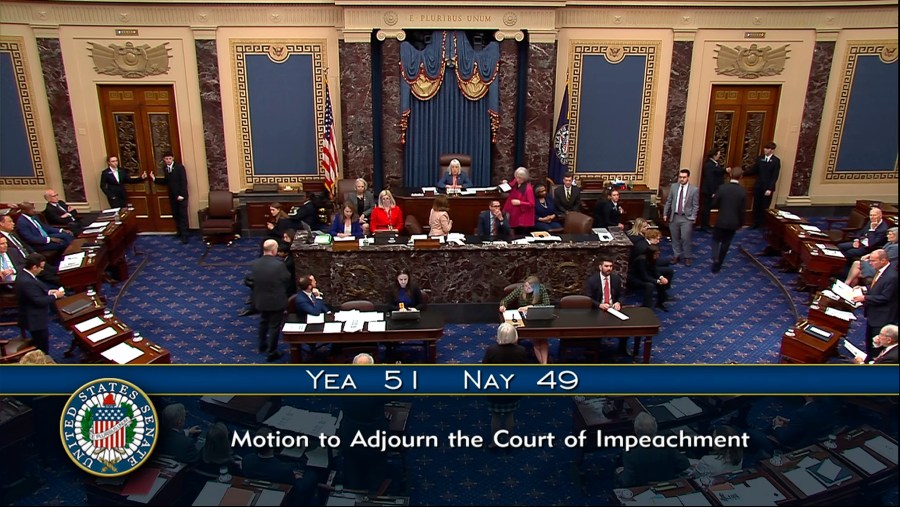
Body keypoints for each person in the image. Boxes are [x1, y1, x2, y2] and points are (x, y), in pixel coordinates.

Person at [482, 323, 530, 448]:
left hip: (495, 389)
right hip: (513, 390)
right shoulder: (521, 351)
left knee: (495, 416)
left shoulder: (491, 350)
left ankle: (494, 442)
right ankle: (510, 440)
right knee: (510, 415)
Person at [617, 412, 689, 487]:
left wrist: (619, 473)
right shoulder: (668, 445)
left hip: (643, 490)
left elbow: (627, 482)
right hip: (668, 486)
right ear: (656, 428)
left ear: (636, 431)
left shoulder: (630, 453)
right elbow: (684, 465)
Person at [745, 397, 836, 455]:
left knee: (750, 432)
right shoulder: (829, 403)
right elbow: (809, 422)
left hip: (795, 447)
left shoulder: (802, 413)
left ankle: (753, 458)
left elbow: (784, 438)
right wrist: (790, 422)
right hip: (814, 438)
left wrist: (777, 426)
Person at [851, 248, 898, 358]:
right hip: (874, 314)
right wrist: (864, 288)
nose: (870, 263)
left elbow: (885, 297)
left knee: (876, 346)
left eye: (873, 261)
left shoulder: (892, 276)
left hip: (883, 317)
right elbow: (877, 286)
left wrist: (865, 298)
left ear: (883, 260)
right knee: (869, 341)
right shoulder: (882, 270)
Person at [250, 239, 291, 361]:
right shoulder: (279, 265)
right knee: (274, 326)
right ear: (274, 250)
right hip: (275, 300)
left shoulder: (255, 263)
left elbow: (252, 280)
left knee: (263, 322)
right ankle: (271, 352)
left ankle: (262, 345)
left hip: (260, 299)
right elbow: (287, 278)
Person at [15, 253, 64, 353]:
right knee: (42, 346)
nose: (42, 269)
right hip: (34, 319)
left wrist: (49, 292)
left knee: (39, 341)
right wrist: (55, 296)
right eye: (41, 267)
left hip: (33, 315)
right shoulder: (27, 281)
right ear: (34, 267)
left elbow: (34, 292)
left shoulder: (24, 273)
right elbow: (39, 301)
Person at [499, 275, 551, 364]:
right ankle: (544, 365)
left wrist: (531, 307)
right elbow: (506, 300)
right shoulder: (520, 289)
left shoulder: (541, 289)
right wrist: (503, 305)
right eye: (526, 286)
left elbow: (547, 304)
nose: (526, 289)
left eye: (529, 287)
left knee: (542, 340)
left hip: (538, 318)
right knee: (537, 341)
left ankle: (544, 364)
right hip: (524, 319)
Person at [0, 211, 60, 286]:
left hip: (29, 256)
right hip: (21, 262)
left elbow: (24, 245)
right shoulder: (1, 238)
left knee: (52, 269)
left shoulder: (12, 233)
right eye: (10, 221)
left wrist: (33, 253)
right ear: (1, 223)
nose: (13, 223)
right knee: (47, 274)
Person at [710, 166, 747, 273]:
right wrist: (741, 223)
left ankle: (715, 258)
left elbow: (714, 204)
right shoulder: (742, 192)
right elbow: (742, 211)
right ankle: (719, 264)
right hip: (733, 222)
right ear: (741, 177)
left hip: (721, 220)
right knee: (726, 243)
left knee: (715, 240)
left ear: (730, 175)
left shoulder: (722, 188)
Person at [150, 151, 190, 243]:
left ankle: (185, 236)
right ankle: (179, 232)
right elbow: (166, 181)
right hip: (172, 196)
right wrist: (155, 179)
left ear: (173, 158)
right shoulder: (165, 168)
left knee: (182, 215)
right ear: (164, 160)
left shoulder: (180, 167)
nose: (168, 160)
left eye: (170, 158)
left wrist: (182, 195)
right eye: (166, 159)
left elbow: (183, 182)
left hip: (181, 196)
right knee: (175, 214)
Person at [663, 169, 699, 266]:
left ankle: (687, 256)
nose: (682, 179)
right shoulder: (674, 187)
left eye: (684, 177)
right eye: (680, 177)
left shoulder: (694, 189)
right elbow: (669, 201)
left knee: (685, 238)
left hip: (686, 218)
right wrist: (665, 213)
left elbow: (696, 205)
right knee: (674, 237)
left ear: (688, 177)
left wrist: (693, 217)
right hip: (674, 216)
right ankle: (676, 255)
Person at [745, 142, 781, 229]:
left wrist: (769, 188)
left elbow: (774, 176)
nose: (765, 150)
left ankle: (762, 224)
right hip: (758, 187)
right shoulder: (760, 159)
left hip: (767, 188)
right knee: (756, 206)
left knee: (764, 207)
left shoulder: (776, 161)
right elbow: (754, 170)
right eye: (765, 148)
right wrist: (742, 173)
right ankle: (755, 223)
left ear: (772, 150)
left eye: (767, 149)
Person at [629, 245, 671, 311]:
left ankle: (661, 302)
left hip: (646, 274)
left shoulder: (652, 258)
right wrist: (658, 281)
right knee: (650, 285)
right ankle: (647, 306)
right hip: (635, 278)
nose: (658, 256)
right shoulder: (641, 260)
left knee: (661, 281)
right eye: (656, 254)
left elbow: (654, 270)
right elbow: (644, 276)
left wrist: (661, 278)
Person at [700, 147, 726, 232]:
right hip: (709, 191)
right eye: (718, 155)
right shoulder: (709, 165)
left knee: (708, 208)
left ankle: (707, 224)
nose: (719, 156)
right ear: (714, 155)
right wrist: (713, 192)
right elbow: (710, 179)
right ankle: (704, 226)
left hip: (712, 190)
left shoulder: (714, 164)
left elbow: (718, 172)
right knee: (706, 209)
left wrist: (725, 170)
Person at [502, 167, 535, 234]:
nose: (517, 179)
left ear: (524, 178)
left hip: (523, 217)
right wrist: (505, 183)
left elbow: (532, 204)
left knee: (520, 234)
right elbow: (509, 187)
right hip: (513, 213)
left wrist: (520, 202)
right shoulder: (515, 182)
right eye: (517, 177)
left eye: (520, 178)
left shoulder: (528, 189)